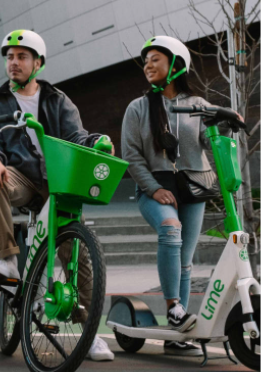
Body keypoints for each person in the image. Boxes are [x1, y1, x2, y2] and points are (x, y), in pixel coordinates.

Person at [0, 29, 114, 362]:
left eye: (21, 57)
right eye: (10, 57)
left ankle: (89, 333)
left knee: (79, 258)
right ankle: (8, 258)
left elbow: (77, 136)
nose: (14, 63)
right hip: (20, 178)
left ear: (38, 63)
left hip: (57, 183)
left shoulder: (57, 100)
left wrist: (97, 142)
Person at [121, 36, 241, 356]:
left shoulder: (198, 105)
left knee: (185, 263)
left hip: (192, 188)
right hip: (155, 188)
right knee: (170, 229)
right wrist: (154, 188)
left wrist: (226, 123)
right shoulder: (137, 108)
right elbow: (131, 155)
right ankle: (174, 306)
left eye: (156, 59)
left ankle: (177, 335)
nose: (148, 64)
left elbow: (212, 141)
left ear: (176, 65)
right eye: (146, 59)